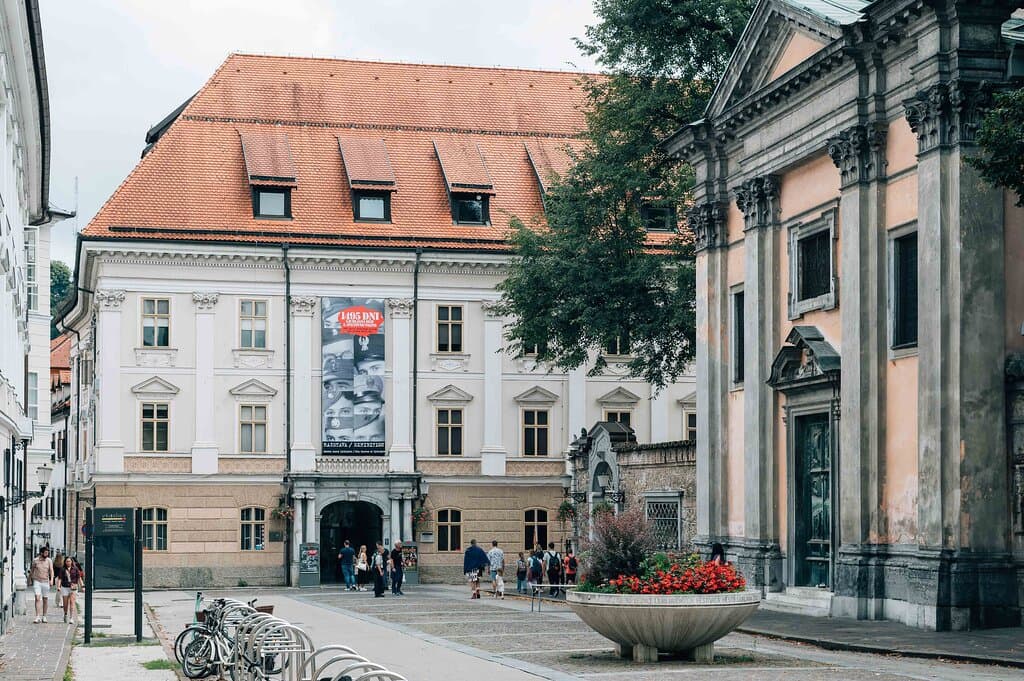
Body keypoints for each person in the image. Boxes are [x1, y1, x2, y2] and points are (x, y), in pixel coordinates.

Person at [29, 546, 54, 623]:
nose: (47, 554)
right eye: (46, 553)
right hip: (37, 581)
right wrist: (29, 579)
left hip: (45, 581)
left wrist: (51, 580)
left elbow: (51, 571)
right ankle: (37, 616)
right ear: (41, 553)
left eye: (48, 553)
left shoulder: (49, 561)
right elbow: (32, 570)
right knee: (37, 598)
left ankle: (44, 616)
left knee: (45, 599)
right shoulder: (35, 560)